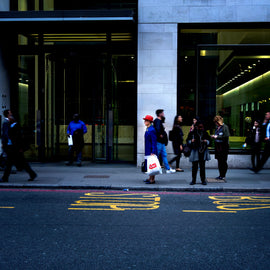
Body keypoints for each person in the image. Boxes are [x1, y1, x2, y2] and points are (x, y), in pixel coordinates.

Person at [0, 116, 37, 182]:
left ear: (13, 120)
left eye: (10, 119)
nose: (8, 120)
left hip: (16, 148)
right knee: (12, 163)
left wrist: (20, 148)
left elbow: (19, 139)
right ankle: (32, 174)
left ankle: (5, 178)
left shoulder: (16, 127)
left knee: (12, 163)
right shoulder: (11, 126)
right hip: (12, 148)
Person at [154, 109, 175, 174]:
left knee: (164, 155)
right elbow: (157, 129)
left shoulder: (159, 121)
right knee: (157, 156)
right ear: (160, 114)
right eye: (162, 113)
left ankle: (168, 169)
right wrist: (161, 135)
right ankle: (155, 169)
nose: (163, 114)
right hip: (159, 142)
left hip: (161, 142)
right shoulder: (157, 121)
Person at [211, 115, 230, 180]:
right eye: (215, 122)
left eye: (216, 122)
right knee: (219, 161)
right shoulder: (217, 128)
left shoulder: (225, 127)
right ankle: (220, 175)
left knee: (223, 161)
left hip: (223, 146)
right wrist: (214, 136)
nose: (216, 124)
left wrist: (217, 137)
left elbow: (226, 137)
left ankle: (223, 175)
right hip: (218, 146)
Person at [143, 115, 158, 184]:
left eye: (146, 120)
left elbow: (154, 141)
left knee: (152, 164)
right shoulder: (148, 128)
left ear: (149, 122)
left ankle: (152, 180)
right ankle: (149, 178)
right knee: (149, 164)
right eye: (145, 120)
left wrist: (153, 151)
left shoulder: (152, 130)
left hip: (151, 150)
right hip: (147, 149)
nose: (144, 122)